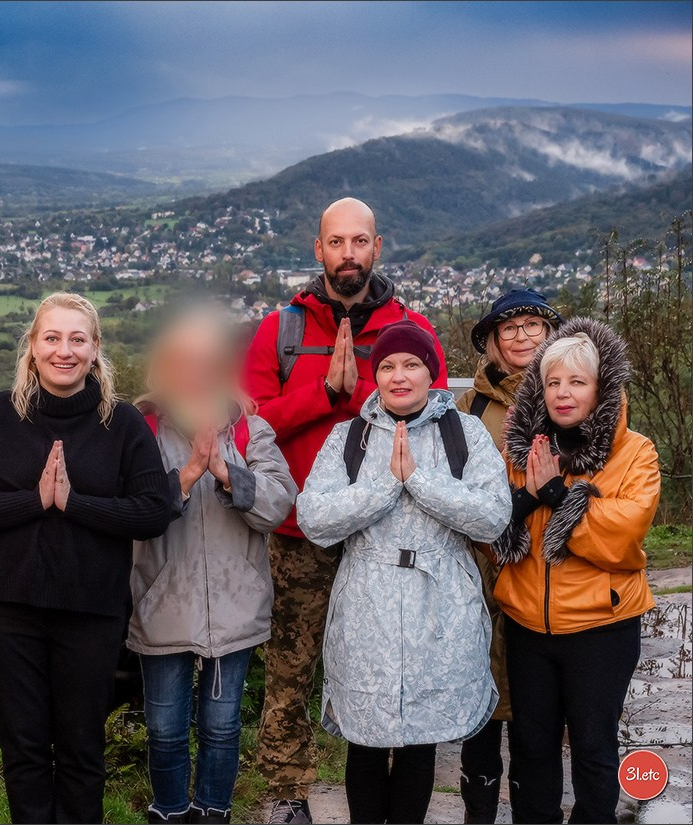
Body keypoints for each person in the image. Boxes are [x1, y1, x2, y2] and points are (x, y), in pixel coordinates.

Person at [242, 197, 448, 824]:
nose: (349, 254)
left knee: (390, 661)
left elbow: (433, 416)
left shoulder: (408, 329)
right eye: (337, 243)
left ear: (376, 248)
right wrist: (321, 393)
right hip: (299, 528)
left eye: (360, 242)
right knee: (290, 663)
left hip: (383, 533)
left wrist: (355, 390)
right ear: (319, 250)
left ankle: (394, 793)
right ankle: (287, 794)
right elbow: (247, 425)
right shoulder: (281, 329)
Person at [0, 292, 171, 824]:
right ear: (32, 347)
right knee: (23, 750)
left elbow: (154, 510)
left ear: (95, 351)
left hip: (90, 612)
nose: (63, 351)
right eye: (52, 338)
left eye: (77, 339)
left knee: (81, 751)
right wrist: (34, 501)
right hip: (7, 611)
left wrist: (73, 503)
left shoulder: (123, 425)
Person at [297, 320, 511, 825]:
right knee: (366, 737)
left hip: (440, 604)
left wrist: (418, 479)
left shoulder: (465, 432)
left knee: (421, 735)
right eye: (388, 366)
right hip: (366, 602)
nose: (399, 376)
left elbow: (492, 514)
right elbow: (313, 518)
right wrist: (383, 488)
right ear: (375, 376)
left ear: (431, 373)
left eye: (411, 364)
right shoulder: (348, 436)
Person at [129, 311, 297, 825]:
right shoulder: (142, 429)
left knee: (222, 727)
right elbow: (131, 510)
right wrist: (188, 476)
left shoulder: (249, 427)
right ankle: (170, 811)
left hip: (235, 605)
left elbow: (278, 503)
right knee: (164, 726)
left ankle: (213, 812)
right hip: (162, 599)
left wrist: (226, 472)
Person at [491, 319, 659, 824]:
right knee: (531, 746)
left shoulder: (635, 453)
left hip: (600, 628)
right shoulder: (523, 450)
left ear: (601, 387)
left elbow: (623, 536)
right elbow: (489, 524)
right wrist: (526, 497)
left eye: (577, 382)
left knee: (593, 748)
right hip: (527, 625)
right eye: (553, 383)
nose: (564, 394)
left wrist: (560, 497)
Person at [455, 288, 562, 823]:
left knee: (534, 711)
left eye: (532, 326)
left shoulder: (568, 394)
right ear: (493, 341)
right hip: (480, 572)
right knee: (481, 707)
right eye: (510, 328)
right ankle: (478, 811)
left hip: (546, 572)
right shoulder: (469, 406)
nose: (521, 336)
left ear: (550, 334)